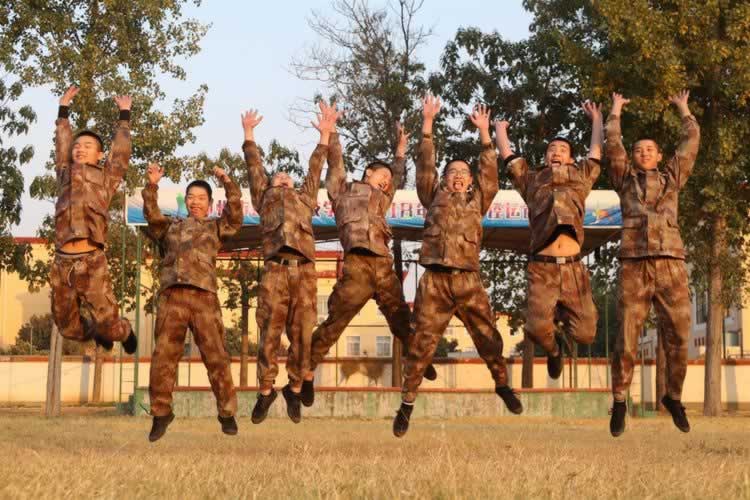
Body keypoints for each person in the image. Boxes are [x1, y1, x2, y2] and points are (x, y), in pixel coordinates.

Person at [393, 97, 523, 438]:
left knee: (488, 338)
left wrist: (484, 133)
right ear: (444, 179)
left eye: (464, 173)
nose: (459, 177)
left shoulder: (479, 200)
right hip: (435, 281)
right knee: (421, 344)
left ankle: (502, 384)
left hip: (468, 281)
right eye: (453, 172)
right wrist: (427, 124)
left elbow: (490, 173)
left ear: (470, 181)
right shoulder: (432, 196)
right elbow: (425, 165)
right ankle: (406, 403)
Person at [303, 118, 437, 405]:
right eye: (382, 175)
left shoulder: (383, 199)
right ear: (368, 172)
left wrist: (400, 150)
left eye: (388, 179)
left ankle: (418, 358)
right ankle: (306, 371)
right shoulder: (343, 190)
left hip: (383, 265)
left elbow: (397, 176)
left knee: (401, 318)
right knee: (335, 323)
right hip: (358, 265)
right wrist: (332, 131)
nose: (387, 180)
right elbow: (336, 163)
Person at [606, 90, 700, 436]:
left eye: (650, 149)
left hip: (671, 264)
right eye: (638, 150)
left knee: (680, 334)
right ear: (633, 157)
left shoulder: (673, 178)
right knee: (627, 336)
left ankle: (673, 397)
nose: (644, 153)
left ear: (660, 156)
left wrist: (684, 109)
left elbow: (690, 143)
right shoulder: (623, 179)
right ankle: (620, 400)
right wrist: (616, 110)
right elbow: (613, 145)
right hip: (634, 265)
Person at [243, 103, 339, 424]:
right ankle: (266, 390)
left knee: (303, 334)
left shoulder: (305, 198)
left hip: (305, 271)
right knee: (269, 332)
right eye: (278, 176)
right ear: (270, 184)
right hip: (275, 270)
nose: (283, 178)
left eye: (287, 176)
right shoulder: (265, 197)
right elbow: (255, 168)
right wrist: (249, 133)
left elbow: (315, 170)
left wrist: (324, 135)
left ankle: (294, 389)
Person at [496, 102, 603, 380]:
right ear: (545, 157)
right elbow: (508, 157)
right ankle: (555, 351)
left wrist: (597, 119)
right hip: (542, 267)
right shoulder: (531, 180)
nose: (556, 152)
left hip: (574, 268)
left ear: (571, 159)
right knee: (535, 328)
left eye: (562, 149)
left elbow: (596, 153)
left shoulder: (581, 177)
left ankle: (564, 321)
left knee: (586, 334)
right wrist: (499, 130)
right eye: (551, 149)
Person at [142, 163, 242, 441]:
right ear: (185, 201)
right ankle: (161, 413)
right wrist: (152, 184)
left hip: (204, 298)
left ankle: (227, 413)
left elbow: (235, 214)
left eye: (201, 198)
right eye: (191, 197)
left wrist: (226, 180)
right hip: (172, 297)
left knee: (216, 357)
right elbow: (151, 215)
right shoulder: (170, 226)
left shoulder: (217, 227)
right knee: (163, 357)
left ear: (209, 204)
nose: (195, 202)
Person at [50, 85, 137, 354]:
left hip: (92, 261)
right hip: (63, 263)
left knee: (110, 327)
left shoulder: (105, 178)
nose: (79, 149)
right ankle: (95, 331)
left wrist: (124, 116)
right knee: (67, 328)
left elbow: (120, 154)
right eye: (77, 146)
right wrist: (63, 111)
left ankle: (122, 330)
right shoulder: (64, 173)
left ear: (99, 154)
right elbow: (62, 146)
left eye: (87, 146)